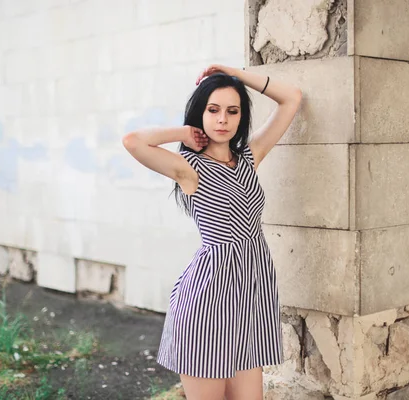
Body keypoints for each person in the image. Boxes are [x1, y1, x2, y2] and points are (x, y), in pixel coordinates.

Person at [122, 64, 302, 400]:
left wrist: (234, 73)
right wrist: (183, 133)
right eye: (213, 110)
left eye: (232, 111)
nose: (222, 120)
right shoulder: (188, 169)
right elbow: (133, 141)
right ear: (201, 114)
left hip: (252, 297)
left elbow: (291, 98)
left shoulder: (248, 157)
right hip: (208, 301)